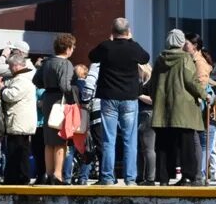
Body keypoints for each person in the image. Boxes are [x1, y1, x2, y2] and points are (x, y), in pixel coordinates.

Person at [88, 18, 150, 185]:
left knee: (109, 139)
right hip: (129, 98)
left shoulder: (106, 47)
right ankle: (130, 179)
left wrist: (109, 41)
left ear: (112, 31)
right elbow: (145, 58)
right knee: (130, 140)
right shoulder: (133, 47)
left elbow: (91, 56)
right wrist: (131, 40)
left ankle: (107, 177)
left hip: (108, 98)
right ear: (128, 31)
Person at [146, 29, 206, 185]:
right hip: (184, 110)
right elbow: (191, 82)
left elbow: (152, 84)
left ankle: (164, 178)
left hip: (163, 109)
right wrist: (205, 95)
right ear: (180, 42)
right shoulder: (185, 58)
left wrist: (155, 98)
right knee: (186, 145)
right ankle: (188, 177)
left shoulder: (160, 60)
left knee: (163, 145)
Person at [33, 33, 77, 185]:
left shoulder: (47, 62)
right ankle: (58, 175)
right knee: (60, 139)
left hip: (47, 100)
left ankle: (49, 173)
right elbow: (65, 86)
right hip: (60, 101)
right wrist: (75, 94)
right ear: (68, 49)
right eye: (73, 47)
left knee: (48, 141)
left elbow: (36, 81)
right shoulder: (66, 64)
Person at [0, 54, 37, 184]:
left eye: (10, 66)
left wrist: (3, 89)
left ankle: (16, 178)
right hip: (22, 121)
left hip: (19, 122)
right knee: (21, 150)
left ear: (16, 66)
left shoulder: (22, 80)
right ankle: (18, 177)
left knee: (16, 151)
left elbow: (11, 95)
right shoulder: (25, 78)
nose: (9, 69)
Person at [183, 32, 215, 182]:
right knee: (202, 142)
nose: (184, 46)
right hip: (199, 105)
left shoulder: (199, 62)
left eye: (186, 43)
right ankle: (199, 173)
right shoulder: (193, 60)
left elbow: (202, 84)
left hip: (201, 107)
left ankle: (200, 173)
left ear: (194, 46)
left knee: (202, 142)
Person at [135, 63, 156, 186]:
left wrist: (139, 95)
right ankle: (141, 176)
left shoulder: (151, 82)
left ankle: (150, 178)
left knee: (148, 148)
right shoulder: (141, 82)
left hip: (148, 114)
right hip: (141, 114)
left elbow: (153, 100)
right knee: (140, 148)